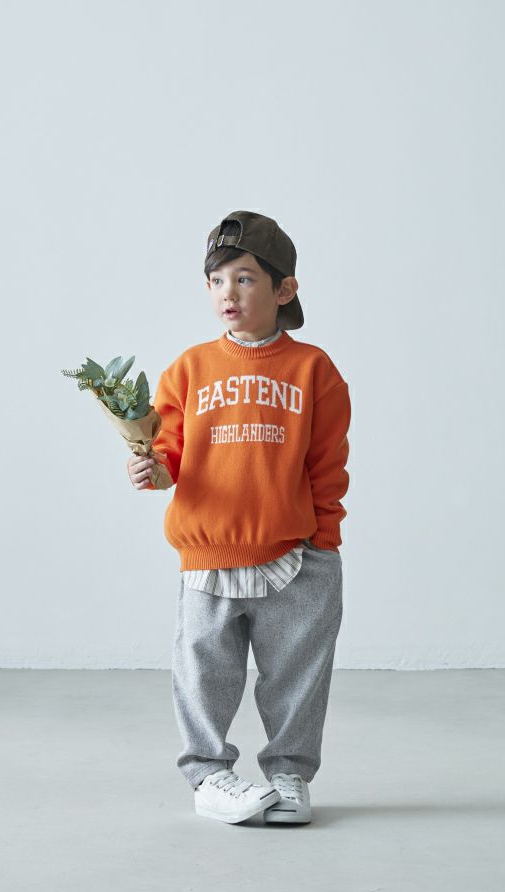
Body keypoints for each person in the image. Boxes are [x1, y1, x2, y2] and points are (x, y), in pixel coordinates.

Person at [127, 210, 350, 826]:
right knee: (205, 671)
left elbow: (327, 464)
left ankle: (288, 774)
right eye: (217, 280)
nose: (229, 292)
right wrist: (152, 471)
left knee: (296, 675)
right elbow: (170, 455)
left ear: (284, 289)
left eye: (246, 278)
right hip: (209, 556)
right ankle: (209, 777)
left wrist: (325, 545)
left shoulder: (314, 370)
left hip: (295, 557)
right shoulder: (189, 369)